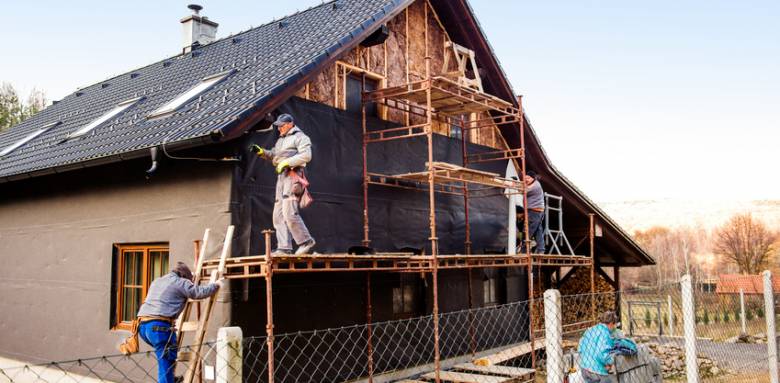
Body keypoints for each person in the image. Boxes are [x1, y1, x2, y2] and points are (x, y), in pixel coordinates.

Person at [135, 262, 222, 383]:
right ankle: (167, 380)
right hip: (159, 327)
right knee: (165, 360)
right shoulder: (181, 282)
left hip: (143, 327)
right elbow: (198, 292)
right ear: (184, 275)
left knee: (168, 353)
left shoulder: (157, 281)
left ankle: (170, 378)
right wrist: (216, 285)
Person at [251, 113, 316, 255]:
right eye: (278, 126)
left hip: (293, 176)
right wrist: (261, 152)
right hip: (281, 178)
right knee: (278, 215)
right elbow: (275, 156)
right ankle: (284, 248)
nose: (279, 129)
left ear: (289, 124)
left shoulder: (300, 137)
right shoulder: (281, 140)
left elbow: (306, 155)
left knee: (289, 212)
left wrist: (287, 162)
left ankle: (306, 241)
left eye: (281, 126)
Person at [577, 311, 636, 383]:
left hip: (584, 368)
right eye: (615, 325)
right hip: (597, 371)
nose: (615, 328)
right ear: (611, 323)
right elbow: (602, 353)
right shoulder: (605, 333)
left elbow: (579, 348)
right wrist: (610, 363)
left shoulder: (590, 330)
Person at [519, 170, 545, 254]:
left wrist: (512, 184)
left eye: (528, 178)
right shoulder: (534, 184)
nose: (526, 180)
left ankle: (523, 250)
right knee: (538, 231)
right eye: (525, 178)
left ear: (533, 178)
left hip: (534, 211)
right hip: (537, 211)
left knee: (527, 230)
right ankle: (541, 249)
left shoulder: (535, 186)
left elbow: (522, 190)